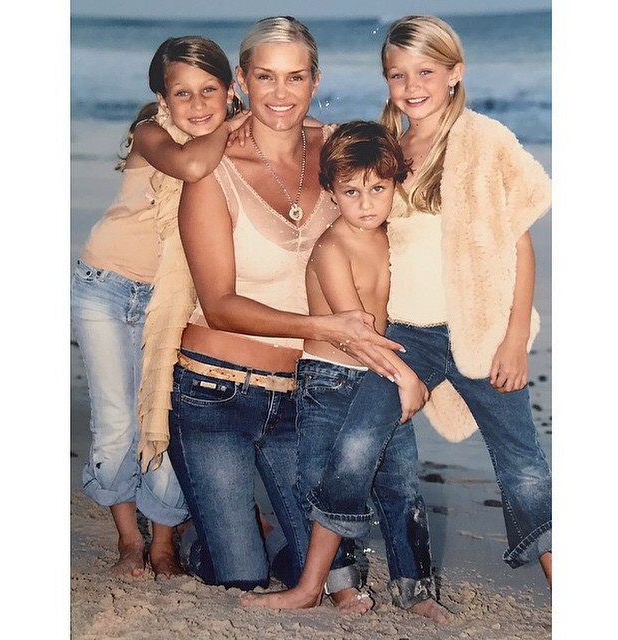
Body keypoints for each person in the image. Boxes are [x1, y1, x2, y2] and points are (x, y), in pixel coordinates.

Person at [252, 13, 552, 599]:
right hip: (406, 334)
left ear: (455, 73)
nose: (412, 86)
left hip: (480, 328)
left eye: (426, 72)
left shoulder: (485, 141)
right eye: (397, 74)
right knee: (354, 447)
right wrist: (244, 120)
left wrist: (515, 338)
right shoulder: (388, 147)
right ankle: (313, 584)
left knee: (523, 463)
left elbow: (519, 244)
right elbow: (315, 138)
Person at [137, 16, 404, 598]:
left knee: (324, 572)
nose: (280, 93)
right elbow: (219, 305)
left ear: (315, 80)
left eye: (295, 77)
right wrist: (324, 325)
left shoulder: (340, 154)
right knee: (242, 576)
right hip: (213, 395)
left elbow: (425, 195)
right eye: (265, 77)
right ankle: (214, 533)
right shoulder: (213, 170)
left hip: (304, 399)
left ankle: (248, 523)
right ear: (242, 80)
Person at [241, 120, 450, 622]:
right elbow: (352, 333)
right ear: (332, 193)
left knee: (399, 482)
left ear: (395, 185)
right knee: (324, 480)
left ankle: (415, 588)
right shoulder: (332, 248)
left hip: (379, 378)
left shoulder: (391, 239)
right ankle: (332, 584)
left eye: (378, 189)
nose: (366, 203)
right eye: (351, 191)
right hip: (330, 381)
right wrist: (406, 377)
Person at [71, 35, 250, 579]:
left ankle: (164, 543)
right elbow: (191, 165)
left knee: (166, 417)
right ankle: (130, 539)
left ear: (230, 89)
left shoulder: (237, 138)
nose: (196, 104)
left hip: (175, 300)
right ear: (162, 98)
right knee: (117, 424)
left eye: (209, 90)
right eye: (182, 93)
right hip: (106, 286)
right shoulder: (152, 132)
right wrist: (234, 124)